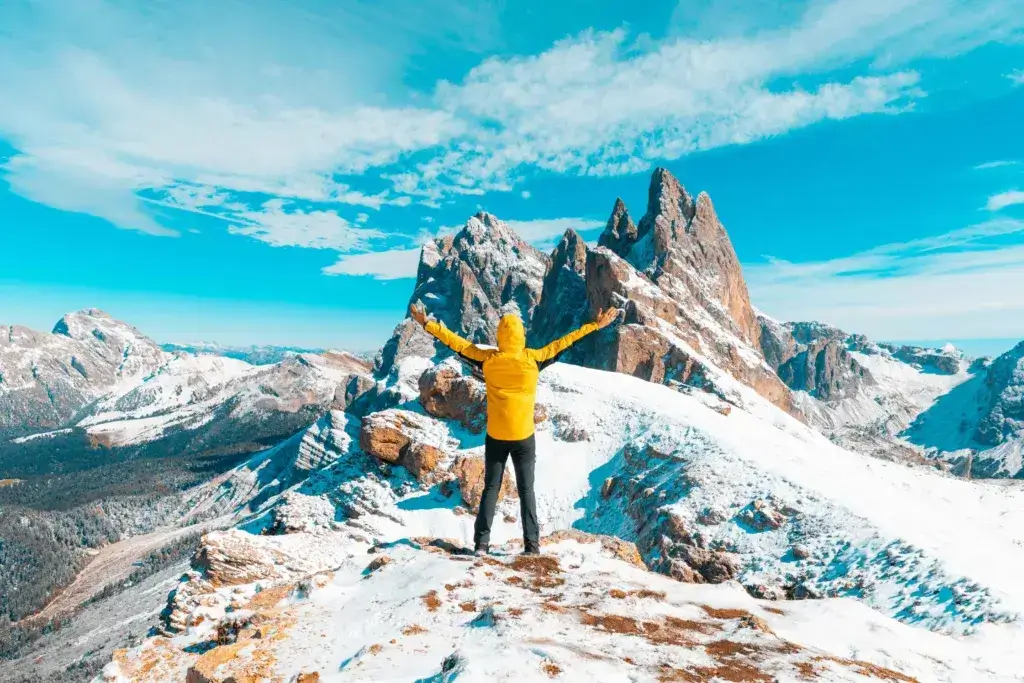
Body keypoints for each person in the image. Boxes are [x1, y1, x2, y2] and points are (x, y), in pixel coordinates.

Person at [409, 302, 619, 555]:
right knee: (526, 490)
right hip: (523, 437)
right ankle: (532, 546)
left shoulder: (488, 359)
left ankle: (481, 545)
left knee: (490, 489)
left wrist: (426, 323)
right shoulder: (534, 359)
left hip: (496, 436)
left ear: (500, 336)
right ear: (521, 335)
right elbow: (565, 343)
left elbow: (457, 343)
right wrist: (595, 326)